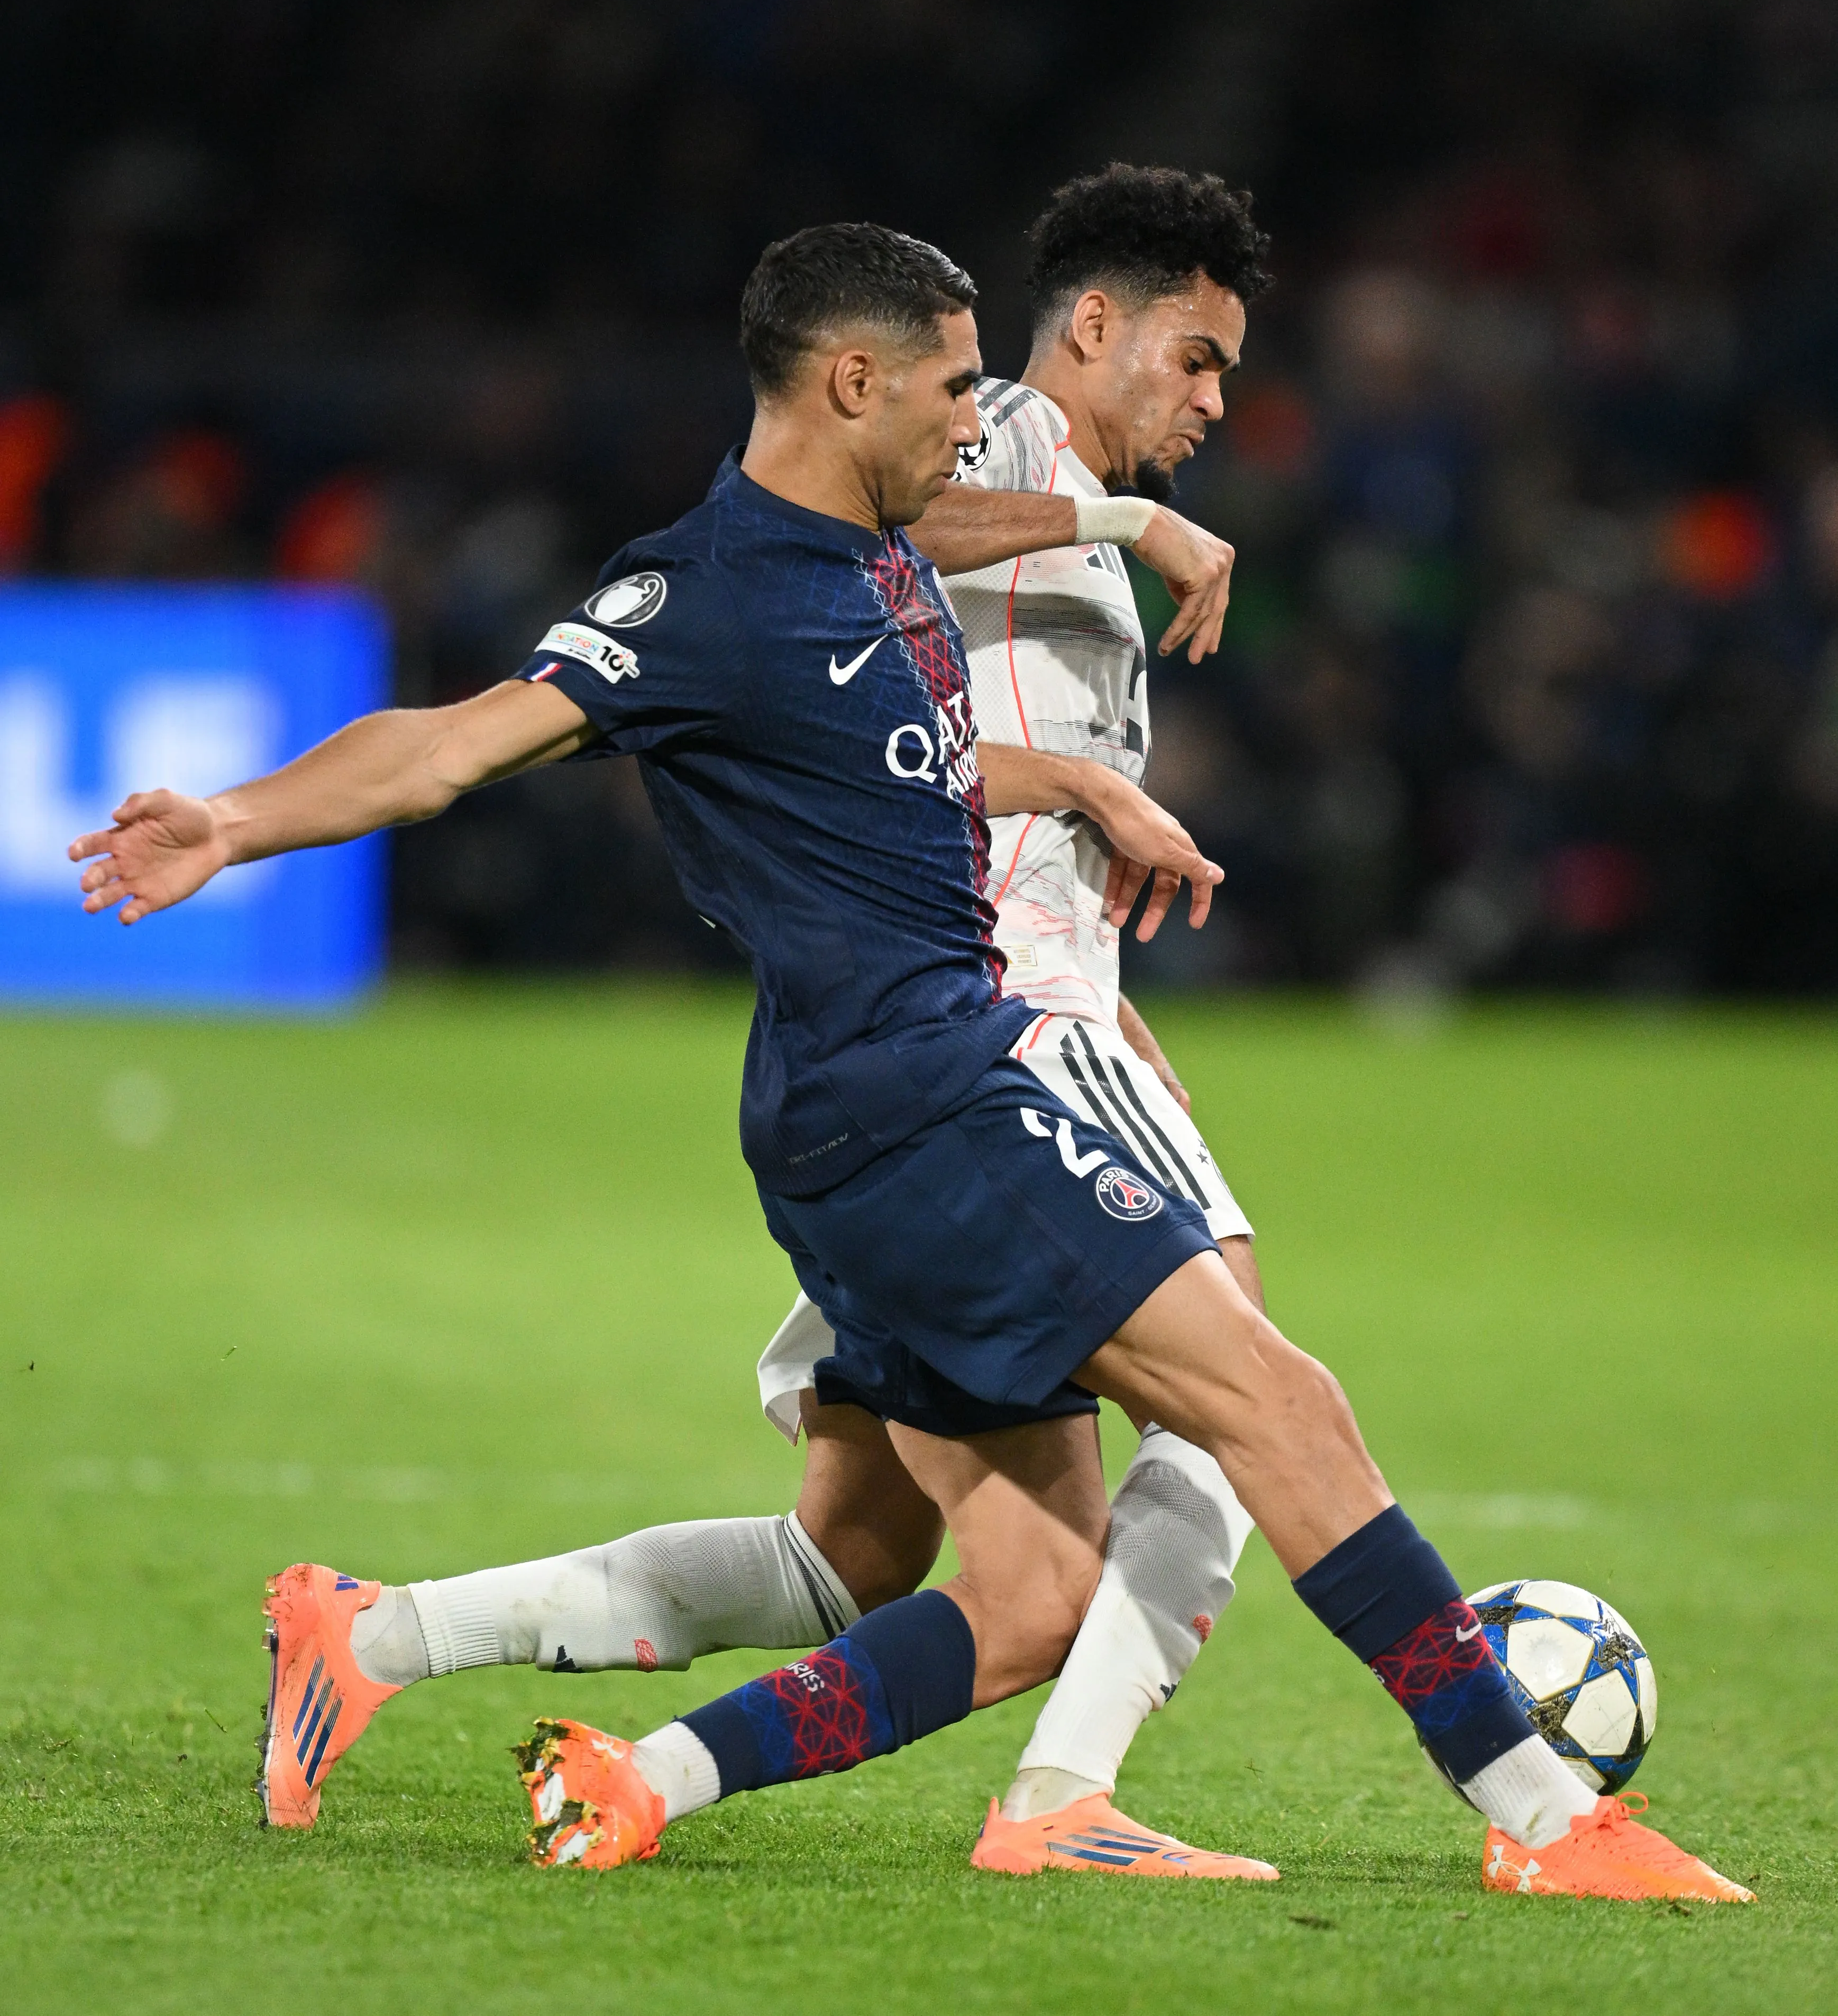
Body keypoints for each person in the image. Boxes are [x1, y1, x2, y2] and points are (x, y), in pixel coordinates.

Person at [71, 219, 1751, 1906]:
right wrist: (231, 818)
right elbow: (451, 747)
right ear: (851, 382)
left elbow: (907, 774)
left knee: (1001, 1592)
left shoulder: (879, 562)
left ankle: (581, 1747)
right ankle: (1546, 1817)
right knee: (1272, 1396)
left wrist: (1081, 790)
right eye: (956, 389)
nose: (978, 423)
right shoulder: (702, 595)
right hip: (924, 1099)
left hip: (883, 1108)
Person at [341, 166, 1276, 1882]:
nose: (1219, 402)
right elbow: (870, 536)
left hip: (968, 1030)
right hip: (969, 1043)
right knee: (1240, 1400)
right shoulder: (985, 433)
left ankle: (381, 1637)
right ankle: (1063, 1803)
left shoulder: (1029, 472)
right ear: (1094, 328)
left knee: (856, 1550)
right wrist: (1126, 529)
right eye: (1199, 358)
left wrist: (1101, 964)